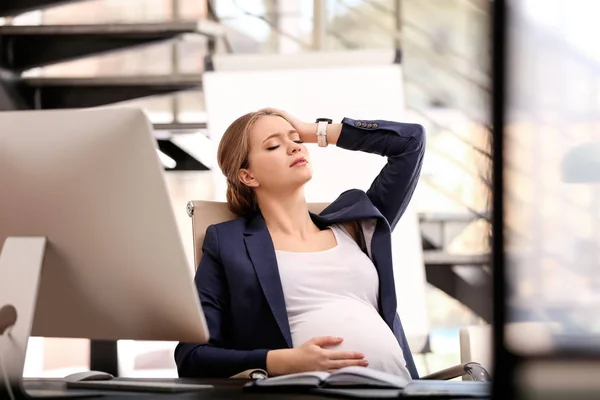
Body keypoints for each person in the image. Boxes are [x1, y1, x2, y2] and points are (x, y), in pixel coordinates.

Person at [174, 108, 425, 380]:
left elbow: (410, 142)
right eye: (273, 145)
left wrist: (314, 131)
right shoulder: (228, 243)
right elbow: (192, 356)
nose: (294, 148)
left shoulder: (355, 223)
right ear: (248, 176)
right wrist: (281, 361)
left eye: (295, 140)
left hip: (402, 389)